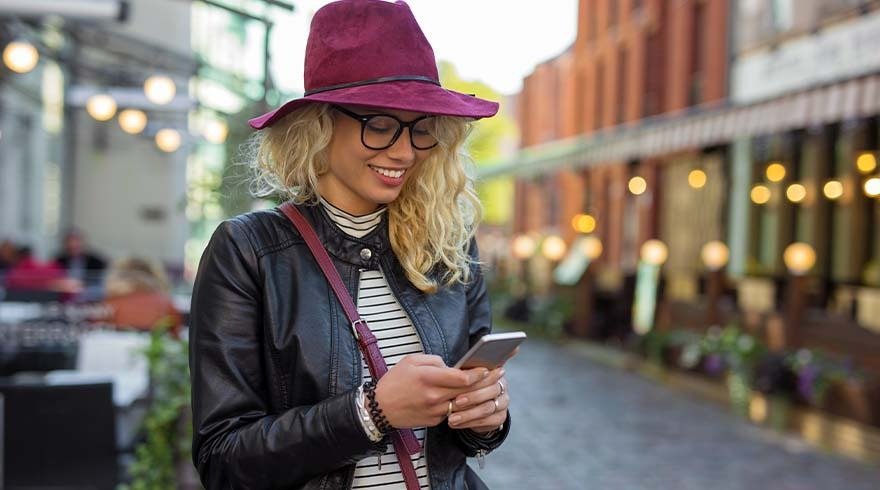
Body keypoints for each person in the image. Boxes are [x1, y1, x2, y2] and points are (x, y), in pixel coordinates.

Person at [189, 1, 513, 488]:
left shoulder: (448, 244)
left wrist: (486, 420)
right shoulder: (249, 251)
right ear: (318, 125)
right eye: (379, 123)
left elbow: (466, 436)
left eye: (420, 127)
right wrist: (372, 412)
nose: (403, 151)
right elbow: (223, 459)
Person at [102, 257, 182, 337]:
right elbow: (176, 337)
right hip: (154, 347)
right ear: (156, 274)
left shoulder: (110, 302)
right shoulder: (166, 303)